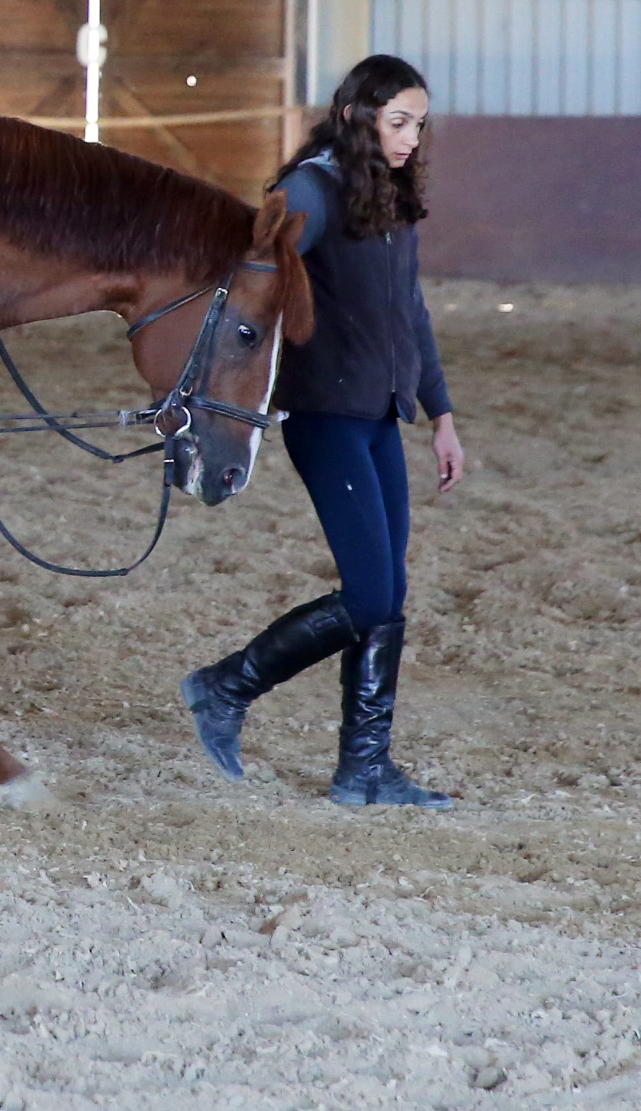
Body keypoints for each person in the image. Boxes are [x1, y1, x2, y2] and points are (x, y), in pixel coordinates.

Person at [181, 55, 465, 809]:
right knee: (370, 594)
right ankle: (225, 685)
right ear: (356, 116)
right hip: (323, 418)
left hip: (379, 416)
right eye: (398, 121)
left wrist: (439, 414)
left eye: (418, 123)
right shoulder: (311, 187)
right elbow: (251, 276)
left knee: (388, 593)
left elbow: (410, 312)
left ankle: (362, 769)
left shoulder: (389, 197)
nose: (411, 137)